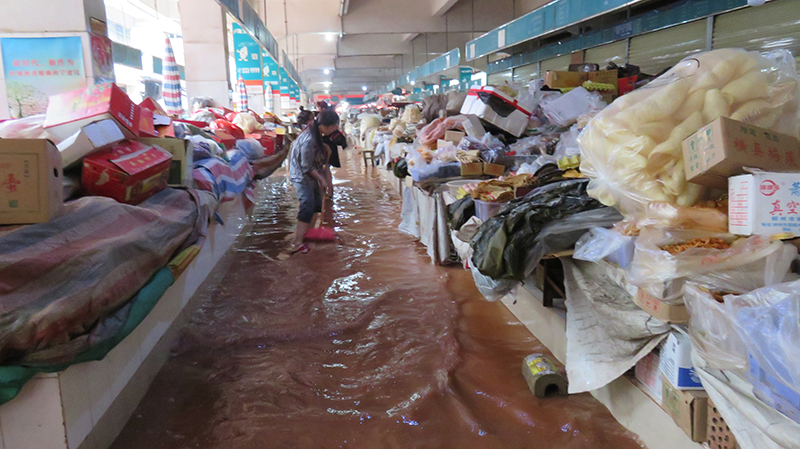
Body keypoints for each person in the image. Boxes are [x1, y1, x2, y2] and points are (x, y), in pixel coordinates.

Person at [289, 110, 340, 254]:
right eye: (334, 126)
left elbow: (324, 165)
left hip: (312, 173)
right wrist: (322, 179)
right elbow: (306, 166)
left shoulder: (317, 134)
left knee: (317, 204)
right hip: (302, 175)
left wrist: (326, 182)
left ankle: (308, 235)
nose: (336, 128)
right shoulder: (309, 139)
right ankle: (298, 242)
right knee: (307, 204)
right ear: (326, 126)